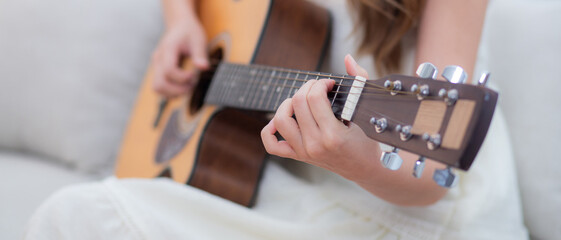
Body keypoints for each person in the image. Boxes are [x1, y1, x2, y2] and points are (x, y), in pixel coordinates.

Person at [24, 0, 528, 239]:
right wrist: (180, 24)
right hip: (282, 178)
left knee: (77, 218)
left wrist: (352, 161)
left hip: (408, 206)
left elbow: (431, 179)